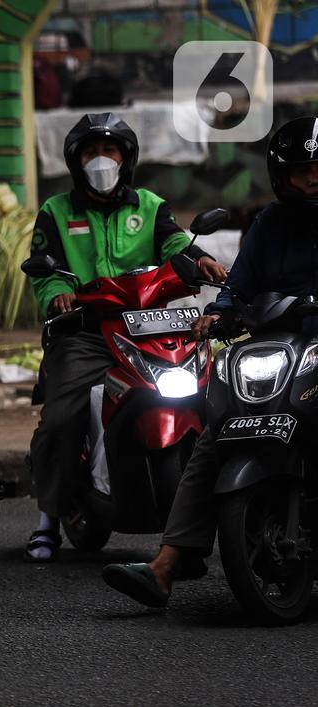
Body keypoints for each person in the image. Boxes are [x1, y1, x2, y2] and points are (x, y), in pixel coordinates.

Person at [103, 116, 318, 606]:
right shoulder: (269, 223)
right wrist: (217, 313)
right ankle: (165, 566)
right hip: (279, 347)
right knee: (218, 435)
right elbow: (240, 283)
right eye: (302, 168)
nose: (311, 176)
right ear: (280, 174)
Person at [22, 113, 227, 562]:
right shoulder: (57, 211)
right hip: (86, 333)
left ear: (125, 158)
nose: (100, 160)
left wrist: (201, 258)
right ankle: (48, 519)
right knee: (61, 417)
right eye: (91, 152)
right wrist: (58, 294)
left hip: (148, 325)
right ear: (76, 161)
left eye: (109, 151)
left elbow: (175, 243)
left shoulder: (150, 206)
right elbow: (44, 266)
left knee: (214, 393)